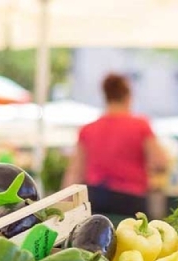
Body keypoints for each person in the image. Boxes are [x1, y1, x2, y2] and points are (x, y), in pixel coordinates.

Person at [62, 73, 168, 218]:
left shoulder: (88, 129)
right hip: (131, 201)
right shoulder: (140, 125)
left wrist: (64, 206)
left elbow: (75, 172)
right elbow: (160, 162)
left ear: (106, 96)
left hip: (96, 199)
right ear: (128, 97)